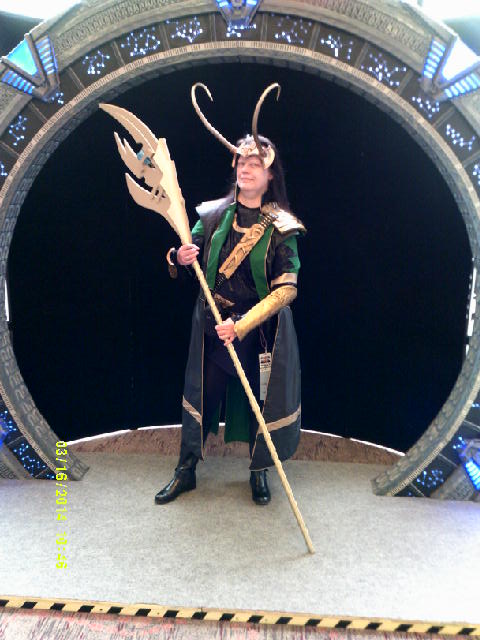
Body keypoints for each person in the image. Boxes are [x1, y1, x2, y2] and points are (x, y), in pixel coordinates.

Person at [155, 83, 305, 506]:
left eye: (256, 164)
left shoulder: (283, 228)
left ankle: (259, 472)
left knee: (261, 403)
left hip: (259, 334)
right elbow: (185, 247)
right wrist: (180, 255)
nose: (246, 169)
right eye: (242, 161)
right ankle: (186, 470)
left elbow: (287, 289)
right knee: (200, 399)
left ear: (270, 176)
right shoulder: (212, 214)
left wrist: (241, 326)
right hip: (212, 328)